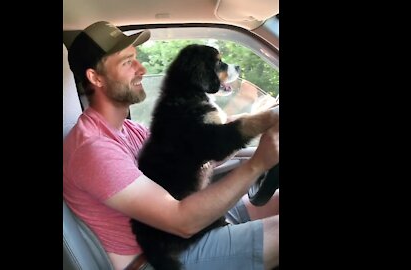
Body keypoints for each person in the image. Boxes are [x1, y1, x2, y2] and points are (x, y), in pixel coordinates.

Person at [63, 21, 279, 270]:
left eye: (137, 59)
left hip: (185, 232)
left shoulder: (131, 130)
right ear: (95, 78)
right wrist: (258, 164)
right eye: (127, 62)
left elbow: (196, 149)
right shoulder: (92, 149)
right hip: (165, 257)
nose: (141, 69)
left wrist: (259, 119)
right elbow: (182, 221)